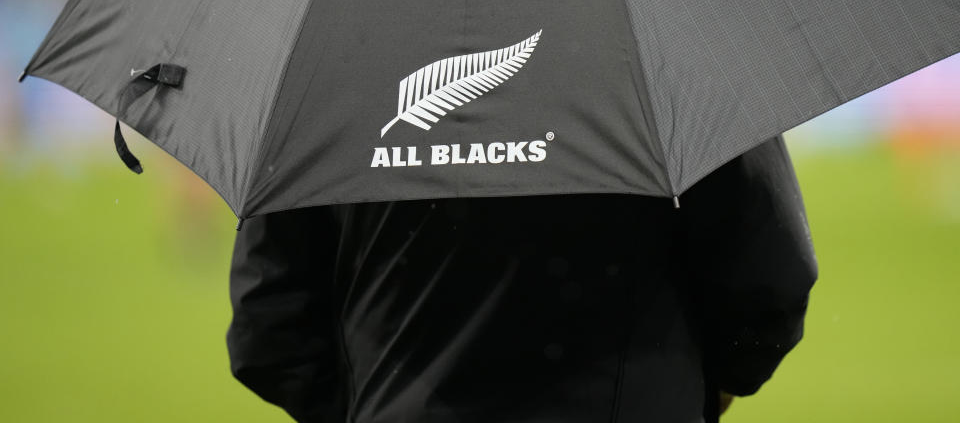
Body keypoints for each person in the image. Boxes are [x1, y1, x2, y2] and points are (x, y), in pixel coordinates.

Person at [227, 136, 817, 422]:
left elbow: (270, 331)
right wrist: (699, 391)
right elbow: (772, 278)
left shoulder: (329, 46)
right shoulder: (666, 22)